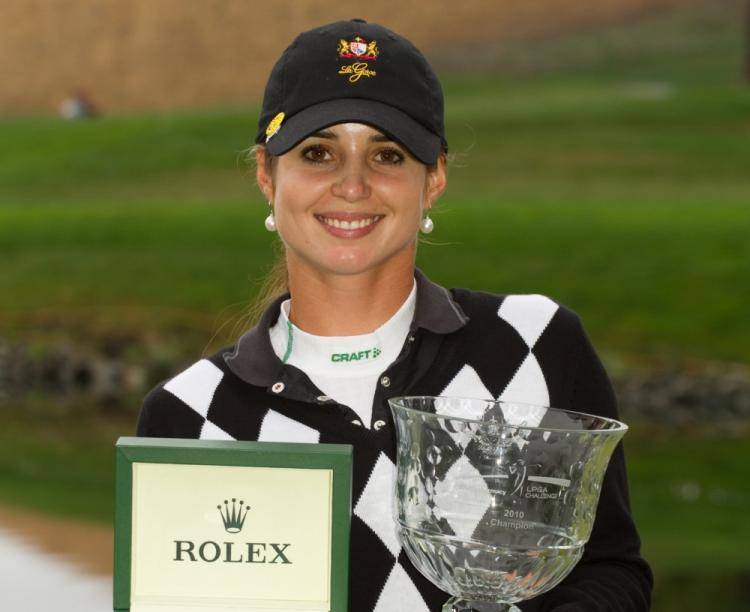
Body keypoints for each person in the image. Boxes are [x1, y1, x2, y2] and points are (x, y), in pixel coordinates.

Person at [137, 19, 652, 611]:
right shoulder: (187, 415)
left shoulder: (535, 342)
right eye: (317, 153)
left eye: (386, 154)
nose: (352, 185)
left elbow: (612, 570)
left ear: (433, 179)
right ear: (265, 174)